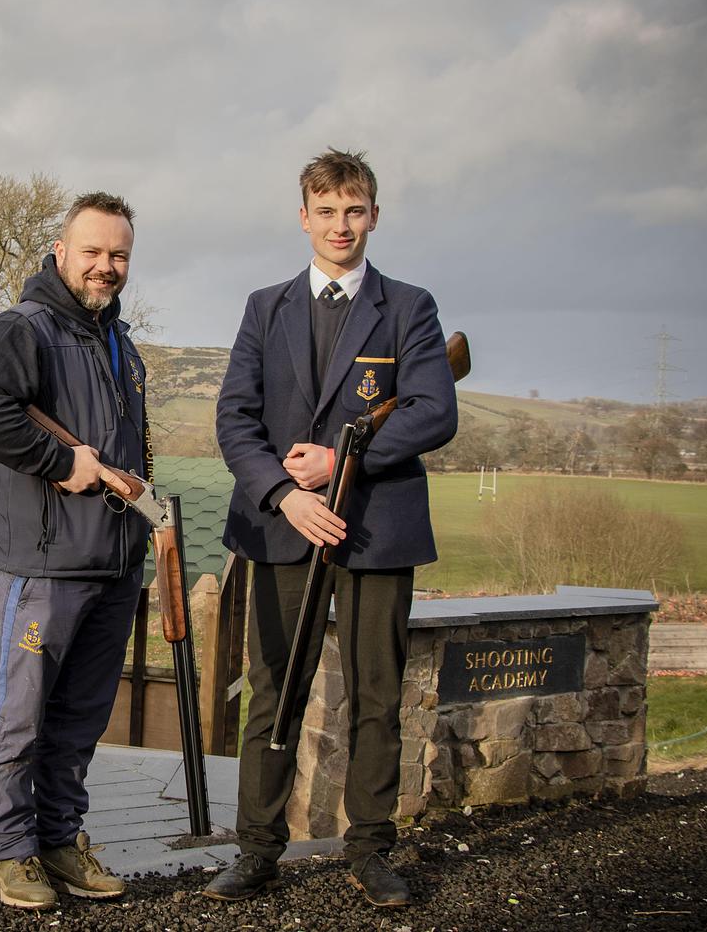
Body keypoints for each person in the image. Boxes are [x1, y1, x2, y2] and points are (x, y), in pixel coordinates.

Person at [202, 149, 457, 908]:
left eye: (355, 210)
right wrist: (285, 491)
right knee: (274, 692)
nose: (340, 225)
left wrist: (345, 465)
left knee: (378, 694)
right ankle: (256, 850)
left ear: (373, 216)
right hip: (285, 527)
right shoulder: (265, 306)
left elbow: (435, 411)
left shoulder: (410, 307)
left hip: (376, 528)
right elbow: (233, 418)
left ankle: (373, 849)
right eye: (326, 210)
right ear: (303, 217)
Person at [0, 192, 149, 911]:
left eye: (118, 255)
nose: (105, 266)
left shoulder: (119, 343)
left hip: (115, 565)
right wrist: (61, 464)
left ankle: (61, 840)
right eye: (92, 252)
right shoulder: (22, 329)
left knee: (79, 721)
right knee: (20, 718)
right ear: (60, 253)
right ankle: (9, 852)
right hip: (42, 568)